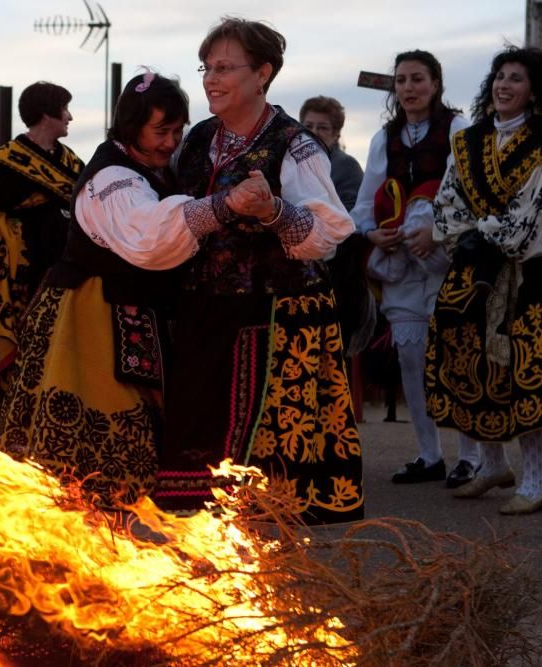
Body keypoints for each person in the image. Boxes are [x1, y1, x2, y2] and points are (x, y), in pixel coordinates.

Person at [0, 72, 242, 508]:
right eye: (160, 131)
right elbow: (148, 236)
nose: (171, 141)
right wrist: (224, 206)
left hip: (132, 308)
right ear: (131, 126)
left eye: (177, 131)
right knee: (93, 427)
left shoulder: (149, 166)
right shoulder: (112, 179)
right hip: (91, 314)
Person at [158, 18, 362, 525]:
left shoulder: (293, 144)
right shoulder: (198, 139)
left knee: (263, 469)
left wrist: (271, 210)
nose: (210, 78)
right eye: (207, 67)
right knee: (197, 451)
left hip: (277, 316)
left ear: (263, 72)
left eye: (225, 67)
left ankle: (264, 578)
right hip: (206, 310)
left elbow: (332, 233)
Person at [351, 50, 479, 488]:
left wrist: (438, 231)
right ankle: (429, 455)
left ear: (436, 83)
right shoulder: (383, 137)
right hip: (402, 263)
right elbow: (365, 202)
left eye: (418, 79)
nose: (409, 87)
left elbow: (472, 193)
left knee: (458, 357)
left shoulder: (459, 128)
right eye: (402, 80)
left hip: (448, 259)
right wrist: (371, 234)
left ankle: (472, 457)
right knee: (411, 358)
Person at [427, 46, 542, 514]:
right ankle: (492, 465)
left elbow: (534, 208)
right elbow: (446, 204)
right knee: (469, 365)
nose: (504, 84)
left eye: (516, 77)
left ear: (533, 89)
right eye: (499, 75)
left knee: (525, 373)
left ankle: (535, 480)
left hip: (527, 271)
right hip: (473, 270)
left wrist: (487, 234)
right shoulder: (468, 142)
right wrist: (465, 240)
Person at [0, 82, 85, 392]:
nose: (70, 117)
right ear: (48, 114)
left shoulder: (73, 163)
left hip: (65, 273)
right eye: (64, 110)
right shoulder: (5, 164)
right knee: (25, 354)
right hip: (21, 276)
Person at [300, 95, 374, 358]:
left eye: (322, 127)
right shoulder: (292, 163)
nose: (314, 133)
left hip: (335, 263)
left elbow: (350, 216)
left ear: (336, 133)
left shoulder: (346, 167)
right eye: (308, 126)